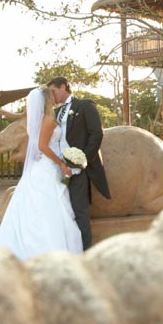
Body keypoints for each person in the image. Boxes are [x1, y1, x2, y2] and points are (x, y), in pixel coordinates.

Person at [0, 86, 83, 260]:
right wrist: (62, 163)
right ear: (47, 99)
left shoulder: (40, 120)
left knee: (42, 207)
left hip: (43, 166)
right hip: (48, 168)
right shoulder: (47, 120)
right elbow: (42, 147)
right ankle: (48, 247)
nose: (54, 97)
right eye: (52, 95)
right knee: (50, 208)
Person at [47, 76, 111, 249]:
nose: (52, 96)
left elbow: (96, 133)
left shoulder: (84, 106)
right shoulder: (57, 112)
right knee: (63, 212)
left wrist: (82, 160)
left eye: (53, 91)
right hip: (59, 168)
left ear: (63, 87)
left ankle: (85, 250)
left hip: (77, 169)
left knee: (79, 211)